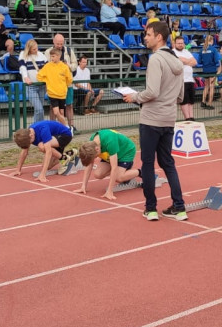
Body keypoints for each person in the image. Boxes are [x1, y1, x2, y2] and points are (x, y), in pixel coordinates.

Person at [122, 21, 187, 221]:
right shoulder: (177, 61)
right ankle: (179, 206)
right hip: (168, 119)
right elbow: (181, 96)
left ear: (159, 37)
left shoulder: (156, 59)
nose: (145, 38)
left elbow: (152, 92)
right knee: (168, 163)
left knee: (148, 164)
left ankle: (150, 208)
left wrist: (135, 97)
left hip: (151, 119)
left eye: (148, 34)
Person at [75, 129, 140, 200]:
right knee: (98, 174)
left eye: (95, 156)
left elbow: (114, 167)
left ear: (97, 149)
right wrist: (83, 186)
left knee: (118, 177)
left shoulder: (110, 141)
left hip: (126, 152)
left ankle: (140, 172)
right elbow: (89, 164)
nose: (96, 158)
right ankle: (123, 171)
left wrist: (110, 190)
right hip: (110, 154)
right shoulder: (91, 144)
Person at [37, 47, 73, 127]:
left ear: (58, 56)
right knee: (56, 112)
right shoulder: (48, 66)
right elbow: (39, 76)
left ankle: (62, 129)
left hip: (62, 93)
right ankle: (66, 126)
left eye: (53, 56)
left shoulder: (64, 67)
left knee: (61, 112)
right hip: (52, 93)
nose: (51, 58)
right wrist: (47, 80)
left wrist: (64, 86)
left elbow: (69, 79)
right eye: (51, 56)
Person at [19, 39, 47, 123]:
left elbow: (47, 67)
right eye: (34, 49)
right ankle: (36, 127)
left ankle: (39, 127)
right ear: (29, 49)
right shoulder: (23, 55)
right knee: (39, 109)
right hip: (31, 86)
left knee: (39, 109)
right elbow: (22, 67)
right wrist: (25, 77)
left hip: (42, 85)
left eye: (36, 48)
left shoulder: (41, 55)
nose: (36, 50)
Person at [172, 35, 197, 122]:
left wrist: (185, 61)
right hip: (181, 80)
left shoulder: (186, 51)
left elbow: (194, 62)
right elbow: (179, 60)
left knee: (191, 100)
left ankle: (191, 117)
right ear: (175, 44)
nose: (180, 45)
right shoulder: (172, 52)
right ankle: (187, 117)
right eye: (178, 43)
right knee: (184, 100)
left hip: (190, 79)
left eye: (182, 43)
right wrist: (187, 61)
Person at [199, 35, 220, 110]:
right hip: (212, 70)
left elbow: (199, 61)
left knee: (206, 86)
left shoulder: (202, 50)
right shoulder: (214, 50)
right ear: (212, 41)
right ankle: (209, 103)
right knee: (211, 87)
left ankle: (203, 101)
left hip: (205, 70)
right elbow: (216, 60)